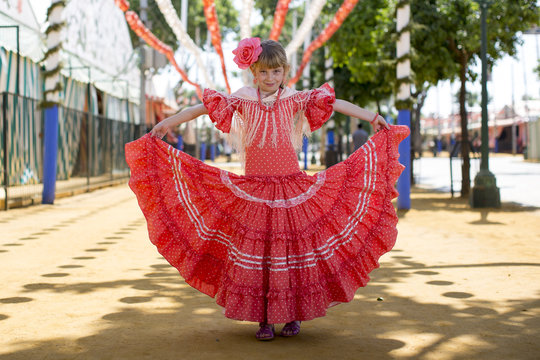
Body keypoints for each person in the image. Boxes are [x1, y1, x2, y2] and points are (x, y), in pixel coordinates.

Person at [125, 38, 409, 341]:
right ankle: (263, 319)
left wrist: (372, 117)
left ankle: (293, 316)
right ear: (253, 73)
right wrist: (168, 123)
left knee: (294, 255)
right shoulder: (245, 98)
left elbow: (334, 103)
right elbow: (201, 107)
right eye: (263, 73)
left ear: (284, 71)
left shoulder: (295, 98)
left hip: (292, 189)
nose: (269, 78)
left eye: (275, 72)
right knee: (259, 259)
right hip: (254, 193)